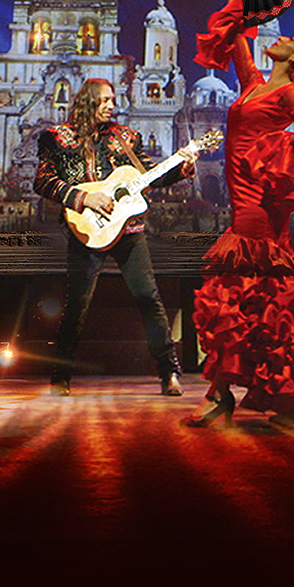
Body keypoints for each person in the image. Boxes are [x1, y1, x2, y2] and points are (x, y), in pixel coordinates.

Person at [185, 0, 294, 429]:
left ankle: (223, 394)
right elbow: (236, 31)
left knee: (242, 286)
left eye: (291, 39)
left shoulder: (290, 92)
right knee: (257, 291)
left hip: (259, 196)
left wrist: (276, 147)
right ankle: (280, 391)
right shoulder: (252, 83)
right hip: (240, 190)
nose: (282, 37)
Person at [34, 78, 192, 397]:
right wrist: (83, 199)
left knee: (149, 297)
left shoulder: (125, 137)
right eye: (104, 100)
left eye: (113, 99)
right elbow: (43, 181)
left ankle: (169, 372)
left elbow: (150, 175)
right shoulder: (58, 138)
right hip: (86, 228)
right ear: (87, 102)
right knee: (78, 303)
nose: (111, 105)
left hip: (129, 230)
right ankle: (60, 376)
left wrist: (181, 168)